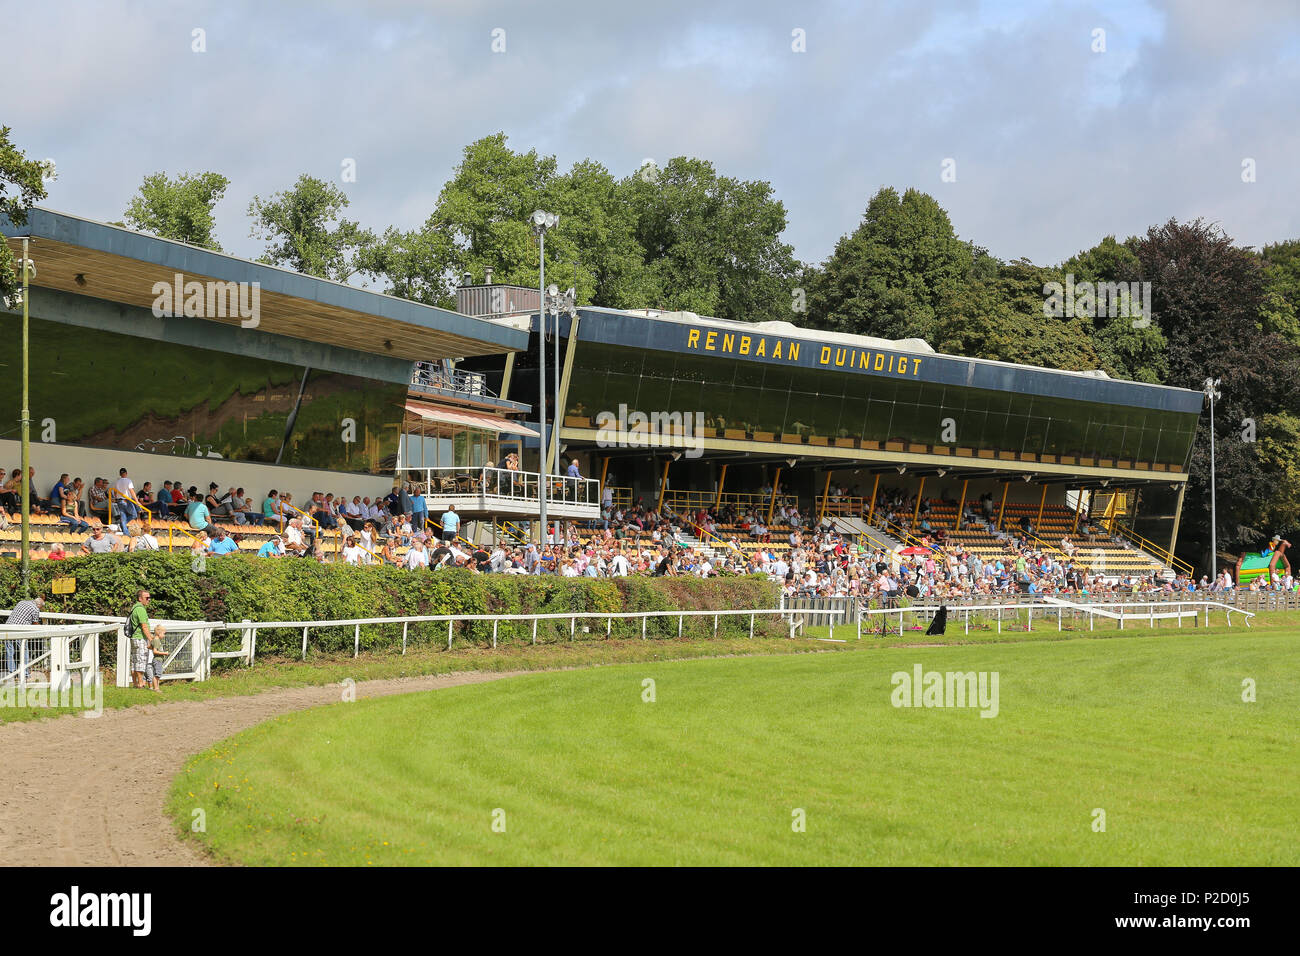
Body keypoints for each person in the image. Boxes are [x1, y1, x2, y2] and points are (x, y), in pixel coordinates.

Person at [3, 595, 45, 677]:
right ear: (39, 605)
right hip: (20, 630)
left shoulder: (21, 602)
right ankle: (25, 673)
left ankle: (11, 673)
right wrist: (43, 628)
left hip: (7, 628)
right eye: (41, 608)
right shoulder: (35, 609)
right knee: (24, 651)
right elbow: (35, 623)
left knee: (9, 651)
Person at [126, 589, 153, 690]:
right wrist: (151, 639)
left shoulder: (134, 608)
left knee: (135, 661)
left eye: (149, 598)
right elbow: (144, 627)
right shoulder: (140, 609)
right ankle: (141, 683)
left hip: (134, 638)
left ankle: (135, 683)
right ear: (140, 598)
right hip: (140, 638)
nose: (149, 600)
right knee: (141, 660)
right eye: (147, 598)